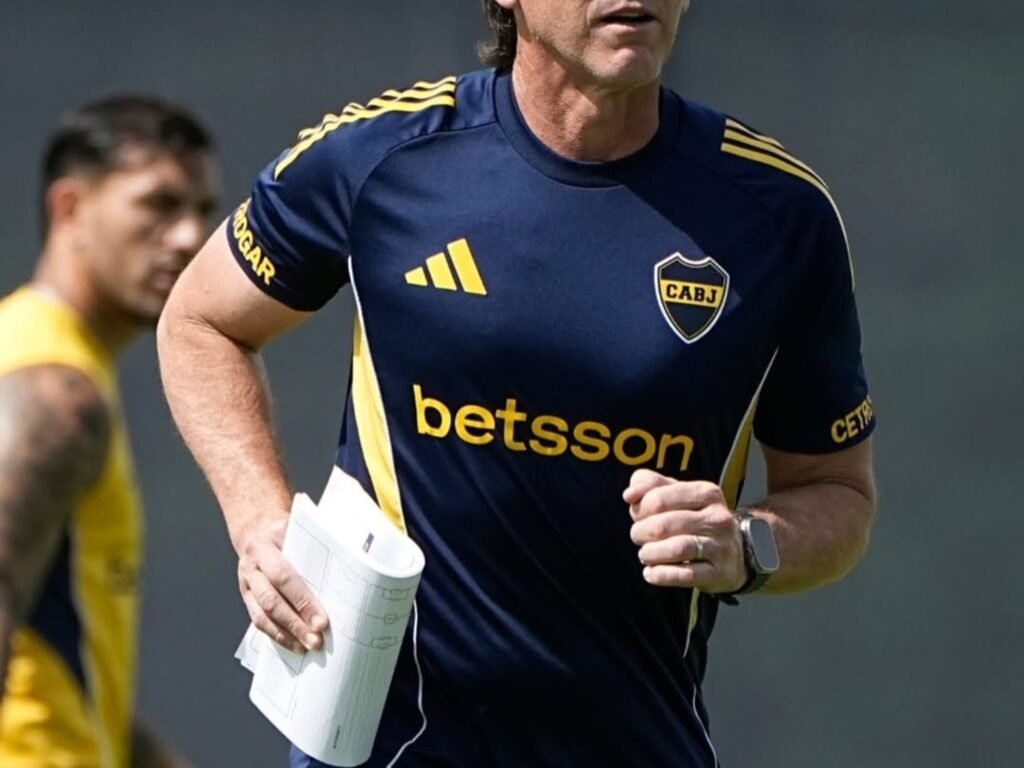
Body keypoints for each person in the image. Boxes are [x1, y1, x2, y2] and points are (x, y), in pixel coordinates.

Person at [157, 0, 877, 765]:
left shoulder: (781, 214)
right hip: (390, 749)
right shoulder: (382, 155)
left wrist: (747, 544)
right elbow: (200, 323)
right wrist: (261, 524)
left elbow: (837, 492)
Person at [0, 93, 219, 767]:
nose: (188, 238)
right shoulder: (53, 392)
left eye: (202, 211)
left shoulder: (53, 361)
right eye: (159, 204)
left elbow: (70, 678)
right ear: (70, 209)